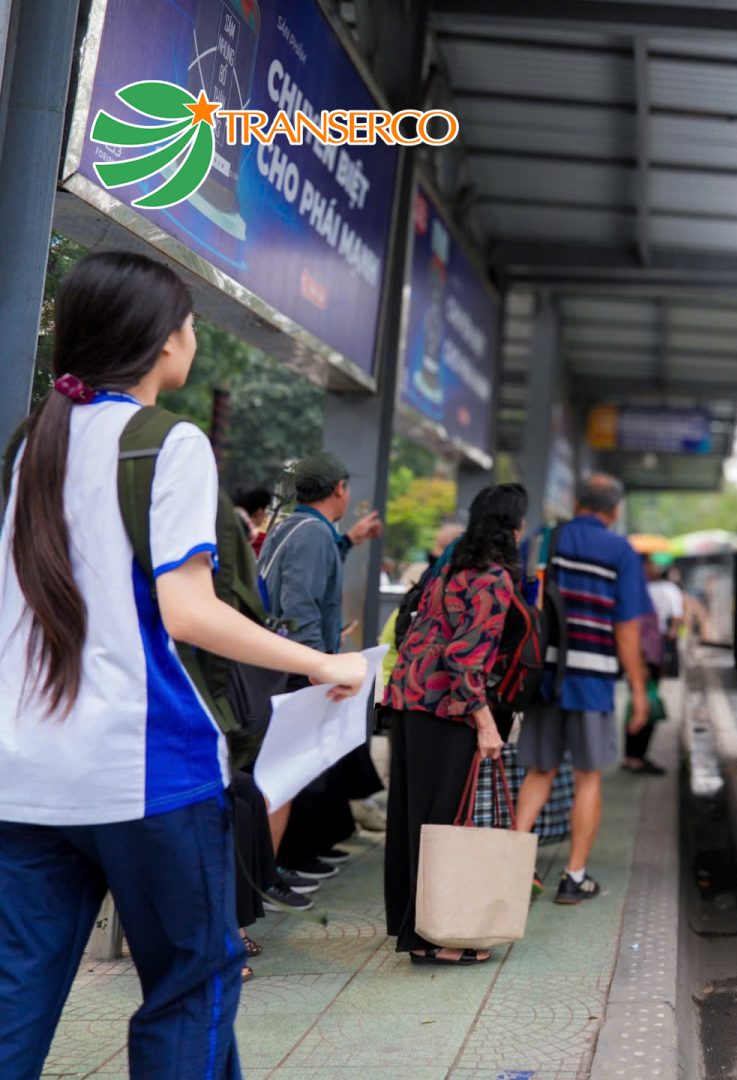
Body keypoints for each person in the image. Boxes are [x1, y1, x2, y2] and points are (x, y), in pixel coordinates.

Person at [0, 251, 367, 1077]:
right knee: (190, 987)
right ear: (164, 343)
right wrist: (320, 662)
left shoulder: (33, 443)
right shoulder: (169, 442)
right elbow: (191, 612)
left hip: (23, 774)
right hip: (145, 772)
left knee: (14, 997)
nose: (193, 338)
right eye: (191, 324)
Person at [382, 484, 524, 965]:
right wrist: (486, 723)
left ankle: (417, 930)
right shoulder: (494, 578)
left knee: (412, 821)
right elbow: (464, 660)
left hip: (407, 702)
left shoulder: (451, 569)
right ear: (514, 528)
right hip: (445, 710)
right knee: (440, 822)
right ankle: (436, 936)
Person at [513, 473, 652, 902]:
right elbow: (627, 629)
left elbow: (517, 603)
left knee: (539, 771)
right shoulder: (621, 551)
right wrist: (639, 691)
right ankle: (574, 878)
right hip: (592, 682)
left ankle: (516, 871)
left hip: (544, 678)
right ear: (614, 511)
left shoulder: (543, 540)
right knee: (588, 777)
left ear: (576, 503)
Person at [258, 453, 383, 889]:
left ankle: (276, 868)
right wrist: (319, 665)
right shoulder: (312, 535)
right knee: (289, 778)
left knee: (294, 776)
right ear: (339, 490)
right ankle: (269, 875)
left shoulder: (296, 526)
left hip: (280, 666)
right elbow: (299, 605)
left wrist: (351, 539)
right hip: (297, 670)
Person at [622, 557, 684, 774]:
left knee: (640, 705)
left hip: (644, 657)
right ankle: (635, 758)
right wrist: (640, 663)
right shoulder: (638, 592)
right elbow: (633, 630)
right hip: (643, 659)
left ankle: (634, 756)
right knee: (643, 706)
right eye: (649, 564)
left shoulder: (638, 590)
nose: (654, 568)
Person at [232, 486, 272, 553]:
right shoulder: (262, 542)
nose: (265, 515)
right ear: (259, 512)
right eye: (265, 510)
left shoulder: (227, 533)